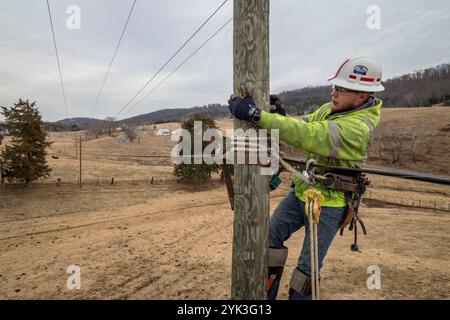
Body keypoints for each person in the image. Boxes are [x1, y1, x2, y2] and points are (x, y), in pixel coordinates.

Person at [228, 56, 385, 300]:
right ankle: (262, 297)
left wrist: (255, 114)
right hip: (302, 191)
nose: (334, 93)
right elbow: (304, 125)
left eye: (342, 90)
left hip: (330, 203)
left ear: (362, 97)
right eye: (335, 87)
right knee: (269, 238)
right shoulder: (330, 109)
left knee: (307, 266)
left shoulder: (357, 129)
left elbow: (309, 135)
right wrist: (283, 115)